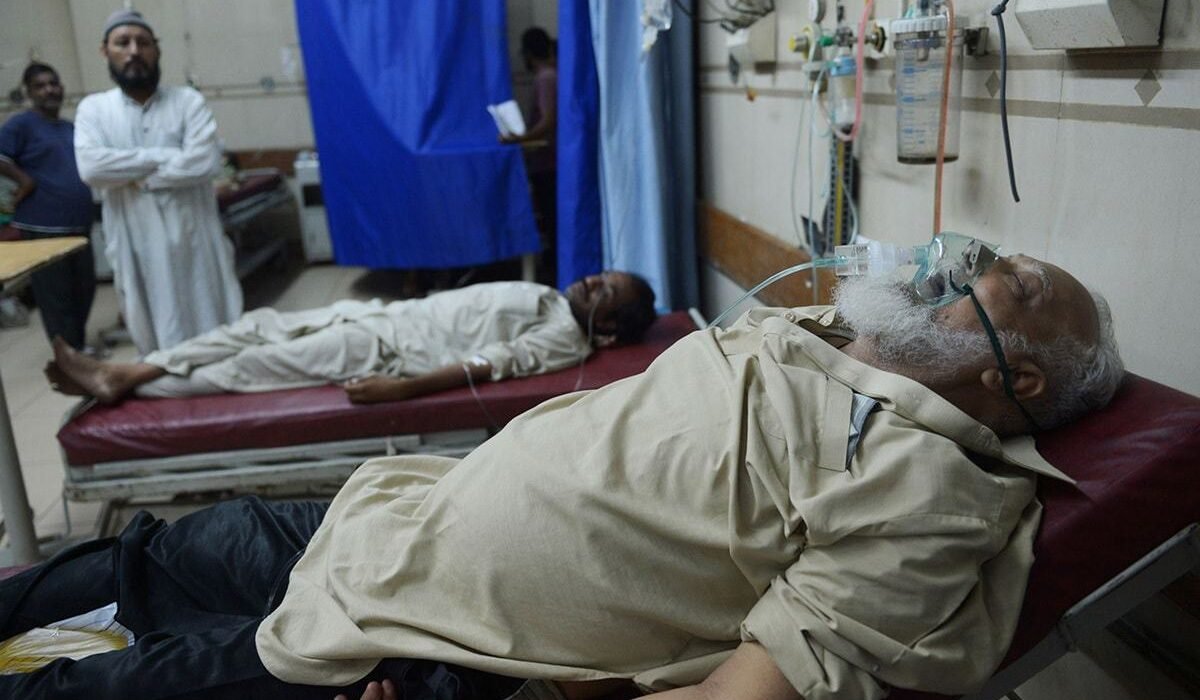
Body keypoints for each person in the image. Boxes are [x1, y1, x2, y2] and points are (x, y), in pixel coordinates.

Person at [1, 252, 1124, 700]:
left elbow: (752, 691)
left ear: (1014, 375)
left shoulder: (928, 490)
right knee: (144, 557)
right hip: (389, 515)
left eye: (1008, 282)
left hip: (417, 643)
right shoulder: (822, 337)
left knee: (97, 689)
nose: (966, 262)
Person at [44, 271, 657, 405]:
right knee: (252, 326)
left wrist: (402, 389)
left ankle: (126, 386)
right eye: (603, 274)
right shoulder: (550, 297)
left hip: (385, 351)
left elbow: (488, 362)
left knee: (254, 364)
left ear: (607, 328)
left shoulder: (565, 338)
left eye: (607, 291)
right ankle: (128, 372)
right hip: (380, 318)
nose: (594, 280)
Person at [73, 9, 242, 355]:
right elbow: (92, 168)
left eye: (143, 42)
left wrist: (136, 178)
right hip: (136, 246)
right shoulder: (94, 109)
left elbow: (203, 162)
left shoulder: (188, 102)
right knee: (156, 343)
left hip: (196, 241)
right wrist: (164, 156)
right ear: (105, 51)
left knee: (214, 330)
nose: (134, 51)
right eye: (123, 43)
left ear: (157, 49)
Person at [0, 62, 97, 350]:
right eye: (40, 86)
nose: (49, 90)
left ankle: (76, 350)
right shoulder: (21, 124)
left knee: (84, 289)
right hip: (44, 226)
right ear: (29, 92)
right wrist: (24, 180)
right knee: (56, 297)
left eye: (53, 83)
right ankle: (68, 356)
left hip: (78, 223)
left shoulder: (69, 128)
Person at [502, 27, 558, 286]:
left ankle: (554, 273)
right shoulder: (552, 76)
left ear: (527, 53)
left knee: (550, 219)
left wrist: (519, 138)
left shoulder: (545, 78)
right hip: (549, 161)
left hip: (548, 162)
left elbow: (548, 121)